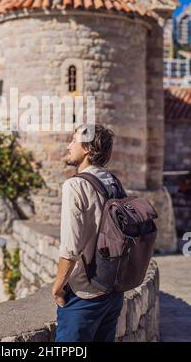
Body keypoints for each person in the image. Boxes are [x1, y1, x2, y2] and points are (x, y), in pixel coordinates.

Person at [51, 123, 124, 342]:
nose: (68, 146)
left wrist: (57, 287)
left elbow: (70, 248)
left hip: (84, 294)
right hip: (112, 290)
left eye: (73, 140)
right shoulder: (113, 182)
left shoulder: (75, 186)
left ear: (88, 149)